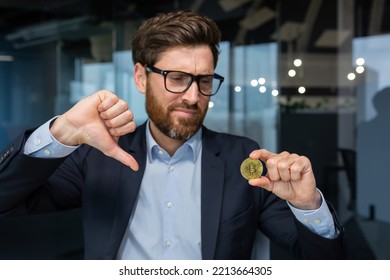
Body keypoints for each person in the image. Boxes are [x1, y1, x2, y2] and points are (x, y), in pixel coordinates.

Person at [0, 10, 345, 260]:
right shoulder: (99, 157)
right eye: (177, 78)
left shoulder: (246, 159)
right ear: (140, 77)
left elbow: (325, 262)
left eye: (205, 81)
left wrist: (308, 205)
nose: (194, 97)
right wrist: (61, 133)